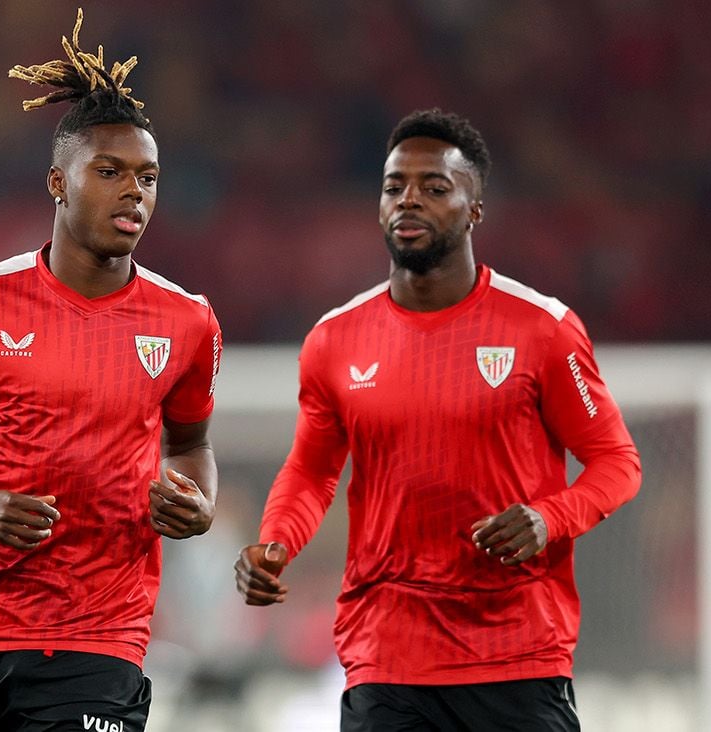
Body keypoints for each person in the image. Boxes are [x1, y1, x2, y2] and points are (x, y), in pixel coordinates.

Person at [234, 109, 642, 731]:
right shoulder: (334, 341)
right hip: (387, 656)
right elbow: (312, 470)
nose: (409, 201)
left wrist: (548, 518)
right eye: (395, 187)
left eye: (434, 187)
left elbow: (617, 462)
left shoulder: (542, 329)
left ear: (474, 207)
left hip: (517, 653)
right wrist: (276, 542)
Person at [0, 10, 222, 730]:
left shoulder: (186, 322)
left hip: (100, 640)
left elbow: (190, 445)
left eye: (148, 177)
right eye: (109, 172)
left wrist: (199, 501)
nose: (133, 191)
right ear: (58, 183)